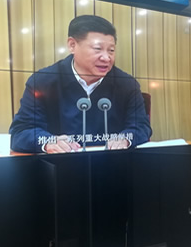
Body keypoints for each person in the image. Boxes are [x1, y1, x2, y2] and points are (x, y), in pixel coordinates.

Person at [9, 15, 152, 153]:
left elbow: (141, 127)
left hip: (112, 163)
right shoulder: (43, 82)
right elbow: (21, 131)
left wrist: (125, 139)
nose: (106, 58)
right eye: (97, 48)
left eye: (111, 50)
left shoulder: (127, 84)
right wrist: (48, 142)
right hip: (60, 164)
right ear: (72, 45)